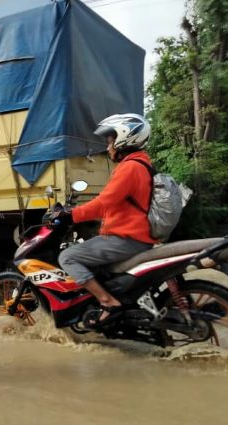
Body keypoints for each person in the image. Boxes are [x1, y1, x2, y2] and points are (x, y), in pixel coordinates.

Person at [54, 113, 157, 328]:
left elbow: (104, 203)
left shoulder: (130, 167)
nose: (108, 146)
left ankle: (107, 301)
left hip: (125, 238)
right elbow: (112, 203)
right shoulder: (141, 164)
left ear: (124, 138)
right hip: (132, 236)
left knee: (68, 257)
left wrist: (71, 215)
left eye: (110, 140)